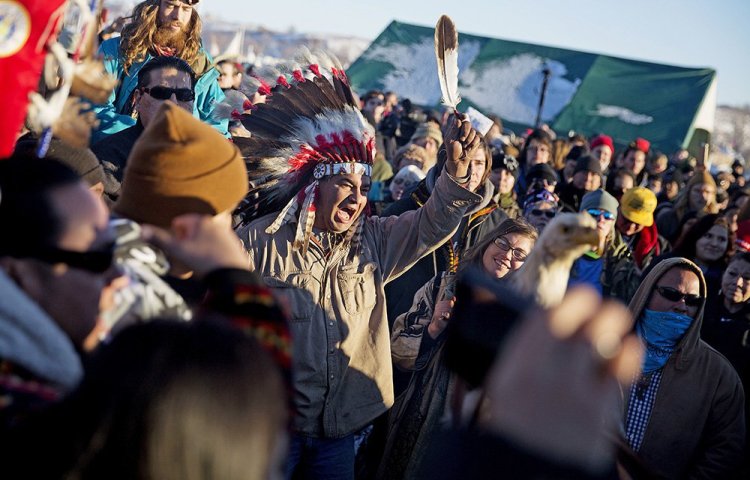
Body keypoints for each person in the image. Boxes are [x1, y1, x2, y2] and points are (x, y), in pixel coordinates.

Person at [234, 60, 484, 479]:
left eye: (365, 188)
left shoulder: (375, 240)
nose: (357, 199)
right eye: (346, 186)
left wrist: (457, 172)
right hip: (275, 430)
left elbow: (433, 222)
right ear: (314, 185)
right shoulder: (259, 242)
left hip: (340, 436)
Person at [380, 218, 537, 479]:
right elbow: (397, 346)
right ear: (489, 242)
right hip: (418, 413)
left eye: (520, 254)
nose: (507, 256)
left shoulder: (525, 314)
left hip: (473, 427)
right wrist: (432, 330)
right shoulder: (444, 286)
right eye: (503, 243)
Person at [104, 101, 249, 335]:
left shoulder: (111, 254)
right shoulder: (142, 305)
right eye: (226, 213)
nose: (231, 227)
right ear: (186, 226)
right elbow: (255, 365)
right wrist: (238, 279)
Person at [0, 156, 118, 430]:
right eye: (98, 258)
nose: (119, 276)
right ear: (19, 275)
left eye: (115, 250)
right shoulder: (35, 420)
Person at [624, 258, 745, 478]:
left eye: (692, 301)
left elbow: (725, 449)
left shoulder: (718, 375)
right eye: (671, 294)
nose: (681, 306)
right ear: (647, 292)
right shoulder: (601, 346)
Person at [384, 136, 506, 330]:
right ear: (447, 162)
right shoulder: (408, 206)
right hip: (402, 322)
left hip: (459, 328)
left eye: (479, 163)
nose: (472, 170)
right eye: (464, 160)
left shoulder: (499, 223)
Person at [93, 0, 227, 142]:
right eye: (171, 6)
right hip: (120, 152)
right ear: (154, 6)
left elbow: (217, 121)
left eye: (186, 9)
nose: (178, 16)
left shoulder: (200, 61)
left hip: (180, 155)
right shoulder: (116, 51)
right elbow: (94, 108)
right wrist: (141, 134)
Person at [91, 56, 197, 200]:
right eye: (161, 93)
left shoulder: (210, 156)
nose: (173, 103)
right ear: (138, 98)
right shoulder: (106, 158)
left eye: (184, 95)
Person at [568, 189, 629, 298]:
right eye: (594, 213)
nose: (601, 219)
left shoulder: (620, 261)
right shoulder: (562, 250)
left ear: (613, 222)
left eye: (607, 216)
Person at [656, 170, 719, 243]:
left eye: (707, 192)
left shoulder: (716, 223)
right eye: (698, 191)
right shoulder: (668, 218)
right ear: (689, 192)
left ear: (713, 196)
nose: (703, 196)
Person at [489, 150, 521, 218]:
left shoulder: (517, 214)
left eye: (507, 174)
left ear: (514, 180)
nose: (501, 177)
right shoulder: (475, 203)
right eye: (497, 172)